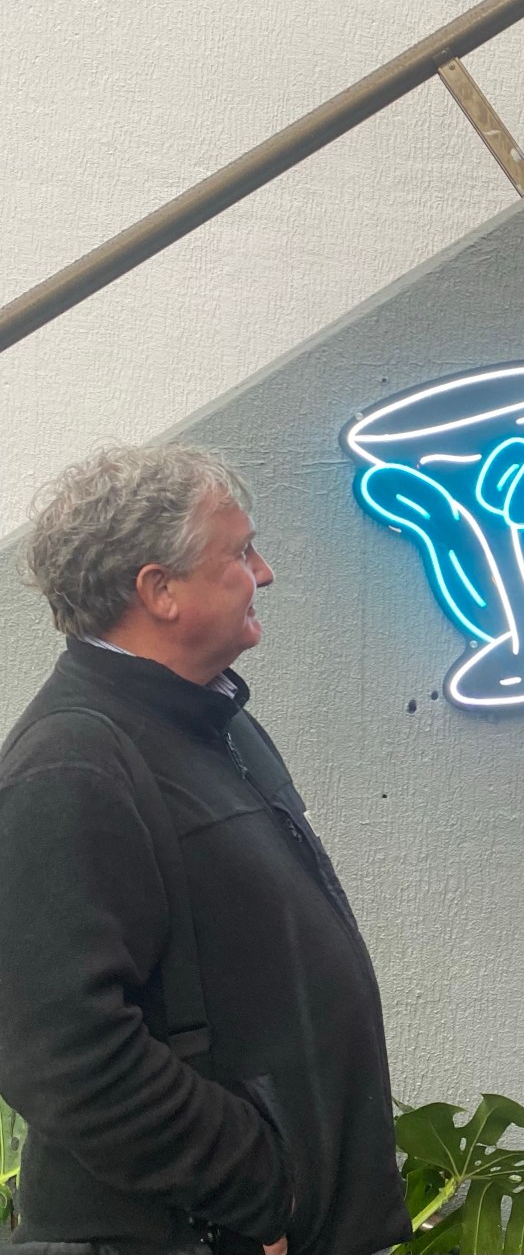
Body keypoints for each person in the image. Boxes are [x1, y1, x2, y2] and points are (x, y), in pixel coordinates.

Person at [0, 445, 411, 1255]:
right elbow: (66, 1054)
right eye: (240, 553)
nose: (264, 574)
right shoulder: (71, 764)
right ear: (159, 590)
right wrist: (260, 1189)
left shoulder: (214, 722)